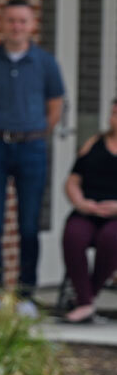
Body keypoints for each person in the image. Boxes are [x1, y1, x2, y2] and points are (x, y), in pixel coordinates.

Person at [0, 0, 65, 311]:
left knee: (29, 224)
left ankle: (25, 294)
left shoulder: (45, 63)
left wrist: (34, 132)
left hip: (32, 148)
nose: (16, 26)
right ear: (1, 23)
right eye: (11, 20)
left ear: (32, 25)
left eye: (22, 21)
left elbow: (55, 107)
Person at [60, 98, 117, 323]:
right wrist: (80, 202)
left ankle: (86, 297)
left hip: (115, 216)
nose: (114, 119)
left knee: (111, 239)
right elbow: (72, 180)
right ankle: (85, 302)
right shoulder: (93, 143)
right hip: (88, 210)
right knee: (73, 235)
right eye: (113, 113)